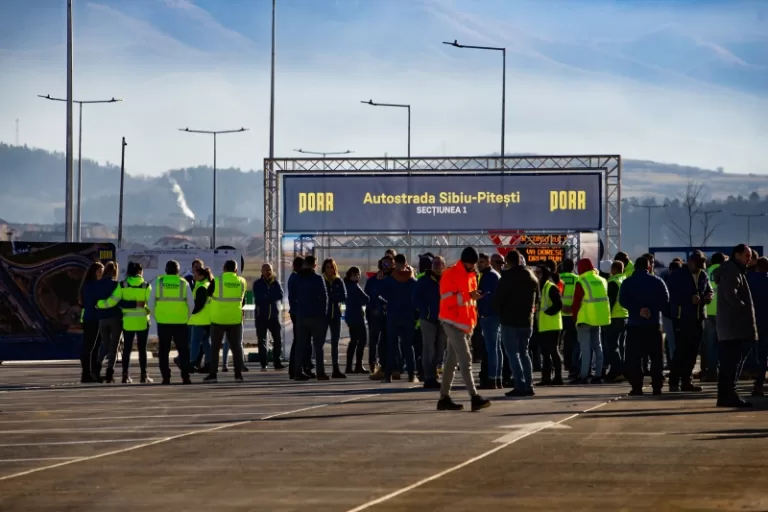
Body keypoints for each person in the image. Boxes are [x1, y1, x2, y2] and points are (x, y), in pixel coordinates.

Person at [436, 247, 491, 411]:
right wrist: (470, 296)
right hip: (451, 321)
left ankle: (444, 398)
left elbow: (469, 299)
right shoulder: (450, 273)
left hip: (465, 324)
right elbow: (447, 300)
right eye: (469, 263)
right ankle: (474, 397)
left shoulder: (473, 274)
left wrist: (473, 299)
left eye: (473, 263)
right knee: (466, 359)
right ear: (463, 261)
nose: (471, 266)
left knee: (452, 362)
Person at [714, 244, 758, 407]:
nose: (749, 259)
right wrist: (744, 308)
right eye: (746, 256)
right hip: (733, 326)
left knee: (728, 363)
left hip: (729, 326)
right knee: (731, 363)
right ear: (737, 255)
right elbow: (730, 295)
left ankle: (725, 395)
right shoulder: (732, 272)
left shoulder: (733, 270)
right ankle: (728, 395)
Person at [619, 256, 669, 395]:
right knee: (656, 357)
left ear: (635, 267)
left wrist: (638, 310)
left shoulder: (627, 283)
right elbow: (666, 300)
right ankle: (657, 386)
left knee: (635, 357)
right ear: (649, 267)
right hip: (653, 325)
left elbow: (622, 300)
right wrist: (651, 310)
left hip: (634, 324)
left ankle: (636, 387)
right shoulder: (658, 281)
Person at [493, 250, 539, 396]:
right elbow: (537, 298)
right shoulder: (532, 277)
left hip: (510, 321)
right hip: (527, 320)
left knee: (513, 354)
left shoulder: (506, 278)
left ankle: (520, 385)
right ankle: (529, 385)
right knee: (524, 353)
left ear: (508, 261)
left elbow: (498, 300)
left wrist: (494, 310)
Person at [97, 261, 152, 383]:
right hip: (143, 321)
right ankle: (144, 375)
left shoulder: (122, 285)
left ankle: (125, 375)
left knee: (127, 349)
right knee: (142, 349)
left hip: (127, 321)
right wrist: (146, 310)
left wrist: (100, 304)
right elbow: (151, 304)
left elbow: (113, 301)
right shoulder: (146, 286)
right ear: (140, 272)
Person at [667, 251, 712, 392]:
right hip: (682, 318)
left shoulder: (703, 275)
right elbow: (670, 294)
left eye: (701, 266)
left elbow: (709, 290)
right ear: (690, 262)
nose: (699, 268)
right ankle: (674, 381)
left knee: (693, 351)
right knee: (681, 351)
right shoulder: (677, 275)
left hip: (698, 317)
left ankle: (687, 380)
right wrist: (688, 300)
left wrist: (707, 297)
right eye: (697, 265)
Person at [149, 260, 195, 385]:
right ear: (178, 271)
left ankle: (166, 377)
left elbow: (151, 303)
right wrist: (187, 317)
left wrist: (156, 317)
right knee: (183, 351)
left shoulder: (159, 282)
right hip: (181, 322)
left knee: (163, 351)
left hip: (164, 323)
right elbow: (191, 304)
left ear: (166, 270)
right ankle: (185, 377)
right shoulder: (183, 283)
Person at [203, 260, 247, 383]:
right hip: (235, 319)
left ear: (224, 268)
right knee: (236, 348)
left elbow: (209, 293)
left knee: (215, 348)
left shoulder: (217, 281)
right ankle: (238, 375)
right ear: (236, 270)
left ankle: (213, 375)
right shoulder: (242, 282)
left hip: (218, 319)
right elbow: (242, 300)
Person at [571, 258, 611, 384]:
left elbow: (576, 303)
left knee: (585, 349)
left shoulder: (581, 281)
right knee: (598, 347)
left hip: (585, 319)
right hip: (598, 319)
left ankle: (583, 376)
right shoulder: (602, 280)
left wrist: (574, 318)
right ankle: (598, 375)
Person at [379, 254, 418, 383]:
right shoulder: (412, 280)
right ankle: (411, 374)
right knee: (408, 346)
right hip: (408, 316)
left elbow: (381, 294)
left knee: (391, 346)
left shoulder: (389, 279)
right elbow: (417, 298)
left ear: (395, 263)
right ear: (406, 263)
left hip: (393, 316)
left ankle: (388, 375)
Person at [291, 256, 328, 381]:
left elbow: (292, 296)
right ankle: (320, 372)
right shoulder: (318, 279)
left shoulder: (296, 278)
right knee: (318, 346)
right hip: (316, 316)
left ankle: (297, 372)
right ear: (314, 265)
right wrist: (323, 314)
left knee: (300, 345)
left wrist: (297, 312)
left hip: (301, 316)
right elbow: (324, 298)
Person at [414, 255, 447, 389]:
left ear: (444, 265)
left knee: (440, 349)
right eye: (435, 263)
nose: (437, 265)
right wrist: (425, 309)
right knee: (428, 349)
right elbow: (415, 298)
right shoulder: (423, 281)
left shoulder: (448, 280)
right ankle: (429, 377)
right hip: (427, 319)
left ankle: (435, 372)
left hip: (444, 319)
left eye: (440, 263)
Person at [534, 263, 564, 386]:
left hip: (552, 325)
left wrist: (548, 312)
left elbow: (559, 304)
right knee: (545, 353)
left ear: (545, 274)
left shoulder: (550, 287)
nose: (536, 275)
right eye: (536, 272)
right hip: (542, 325)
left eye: (539, 272)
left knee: (553, 352)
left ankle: (558, 378)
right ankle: (546, 378)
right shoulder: (539, 288)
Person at [94, 261, 123, 384]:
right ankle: (109, 372)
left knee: (104, 345)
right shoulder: (117, 285)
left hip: (102, 318)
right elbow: (120, 301)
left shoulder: (97, 284)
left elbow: (95, 300)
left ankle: (96, 368)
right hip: (115, 318)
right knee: (114, 346)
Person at [477, 253, 502, 389]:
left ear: (488, 262)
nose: (479, 265)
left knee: (492, 348)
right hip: (493, 315)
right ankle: (497, 378)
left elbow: (488, 295)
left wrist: (477, 296)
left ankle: (493, 378)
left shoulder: (490, 276)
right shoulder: (492, 275)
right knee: (496, 348)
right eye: (478, 262)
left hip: (489, 315)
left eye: (481, 262)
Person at [253, 263, 285, 371]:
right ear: (261, 271)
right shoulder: (257, 283)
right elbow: (259, 297)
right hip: (261, 317)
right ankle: (263, 363)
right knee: (262, 341)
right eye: (266, 269)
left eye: (269, 269)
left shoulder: (276, 283)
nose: (268, 271)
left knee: (278, 340)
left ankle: (277, 362)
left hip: (274, 317)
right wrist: (270, 296)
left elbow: (280, 295)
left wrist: (268, 296)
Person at [366, 256, 394, 380]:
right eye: (384, 263)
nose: (386, 265)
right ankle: (373, 364)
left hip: (390, 314)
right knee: (374, 340)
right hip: (376, 314)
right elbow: (368, 296)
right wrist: (373, 309)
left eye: (389, 263)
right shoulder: (373, 280)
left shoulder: (395, 279)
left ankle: (387, 367)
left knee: (387, 341)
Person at [321, 258, 348, 378]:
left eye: (332, 267)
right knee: (320, 342)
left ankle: (335, 368)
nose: (330, 269)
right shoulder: (321, 280)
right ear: (324, 268)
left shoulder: (338, 281)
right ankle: (319, 368)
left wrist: (333, 297)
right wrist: (331, 297)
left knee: (335, 342)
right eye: (327, 267)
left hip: (336, 315)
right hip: (323, 315)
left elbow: (344, 296)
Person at [78, 262, 105, 383]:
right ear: (93, 273)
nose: (102, 274)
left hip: (91, 318)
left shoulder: (86, 286)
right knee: (90, 347)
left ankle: (91, 373)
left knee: (94, 347)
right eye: (100, 272)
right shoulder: (94, 286)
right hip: (93, 318)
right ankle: (87, 374)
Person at [702, 252, 727, 381]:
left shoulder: (706, 272)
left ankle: (712, 372)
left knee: (710, 345)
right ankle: (725, 372)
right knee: (725, 344)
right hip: (723, 313)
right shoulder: (726, 272)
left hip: (708, 312)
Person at [747, 257, 768, 397]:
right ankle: (759, 385)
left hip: (754, 322)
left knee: (760, 354)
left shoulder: (749, 280)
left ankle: (758, 385)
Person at [604, 261, 628, 382]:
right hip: (625, 315)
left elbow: (610, 301)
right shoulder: (625, 279)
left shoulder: (613, 281)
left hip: (614, 316)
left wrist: (606, 316)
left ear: (613, 269)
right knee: (621, 345)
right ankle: (623, 370)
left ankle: (616, 370)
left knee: (612, 345)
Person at [344, 266, 370, 374]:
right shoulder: (354, 286)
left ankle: (349, 366)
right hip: (357, 317)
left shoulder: (345, 285)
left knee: (353, 341)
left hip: (350, 317)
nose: (358, 276)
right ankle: (358, 365)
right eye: (356, 274)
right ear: (352, 275)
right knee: (362, 340)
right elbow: (366, 298)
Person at [187, 266, 213, 374]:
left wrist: (189, 312)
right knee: (206, 342)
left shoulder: (202, 287)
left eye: (196, 274)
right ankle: (209, 364)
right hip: (207, 319)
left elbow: (198, 305)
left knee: (195, 342)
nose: (194, 276)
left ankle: (191, 363)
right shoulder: (207, 285)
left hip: (200, 320)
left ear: (202, 276)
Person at [559, 258, 580, 380]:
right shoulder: (577, 278)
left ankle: (561, 366)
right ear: (573, 267)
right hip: (572, 314)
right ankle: (572, 366)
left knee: (557, 344)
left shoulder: (557, 278)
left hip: (559, 313)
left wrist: (561, 307)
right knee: (571, 342)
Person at [287, 256, 308, 379]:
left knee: (297, 342)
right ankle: (296, 370)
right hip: (298, 313)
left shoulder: (293, 278)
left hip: (296, 312)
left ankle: (294, 370)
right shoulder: (296, 278)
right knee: (299, 342)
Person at [662, 259, 683, 369]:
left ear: (670, 269)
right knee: (682, 342)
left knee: (671, 343)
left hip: (668, 314)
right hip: (682, 314)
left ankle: (674, 366)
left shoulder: (665, 278)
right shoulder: (685, 279)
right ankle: (681, 367)